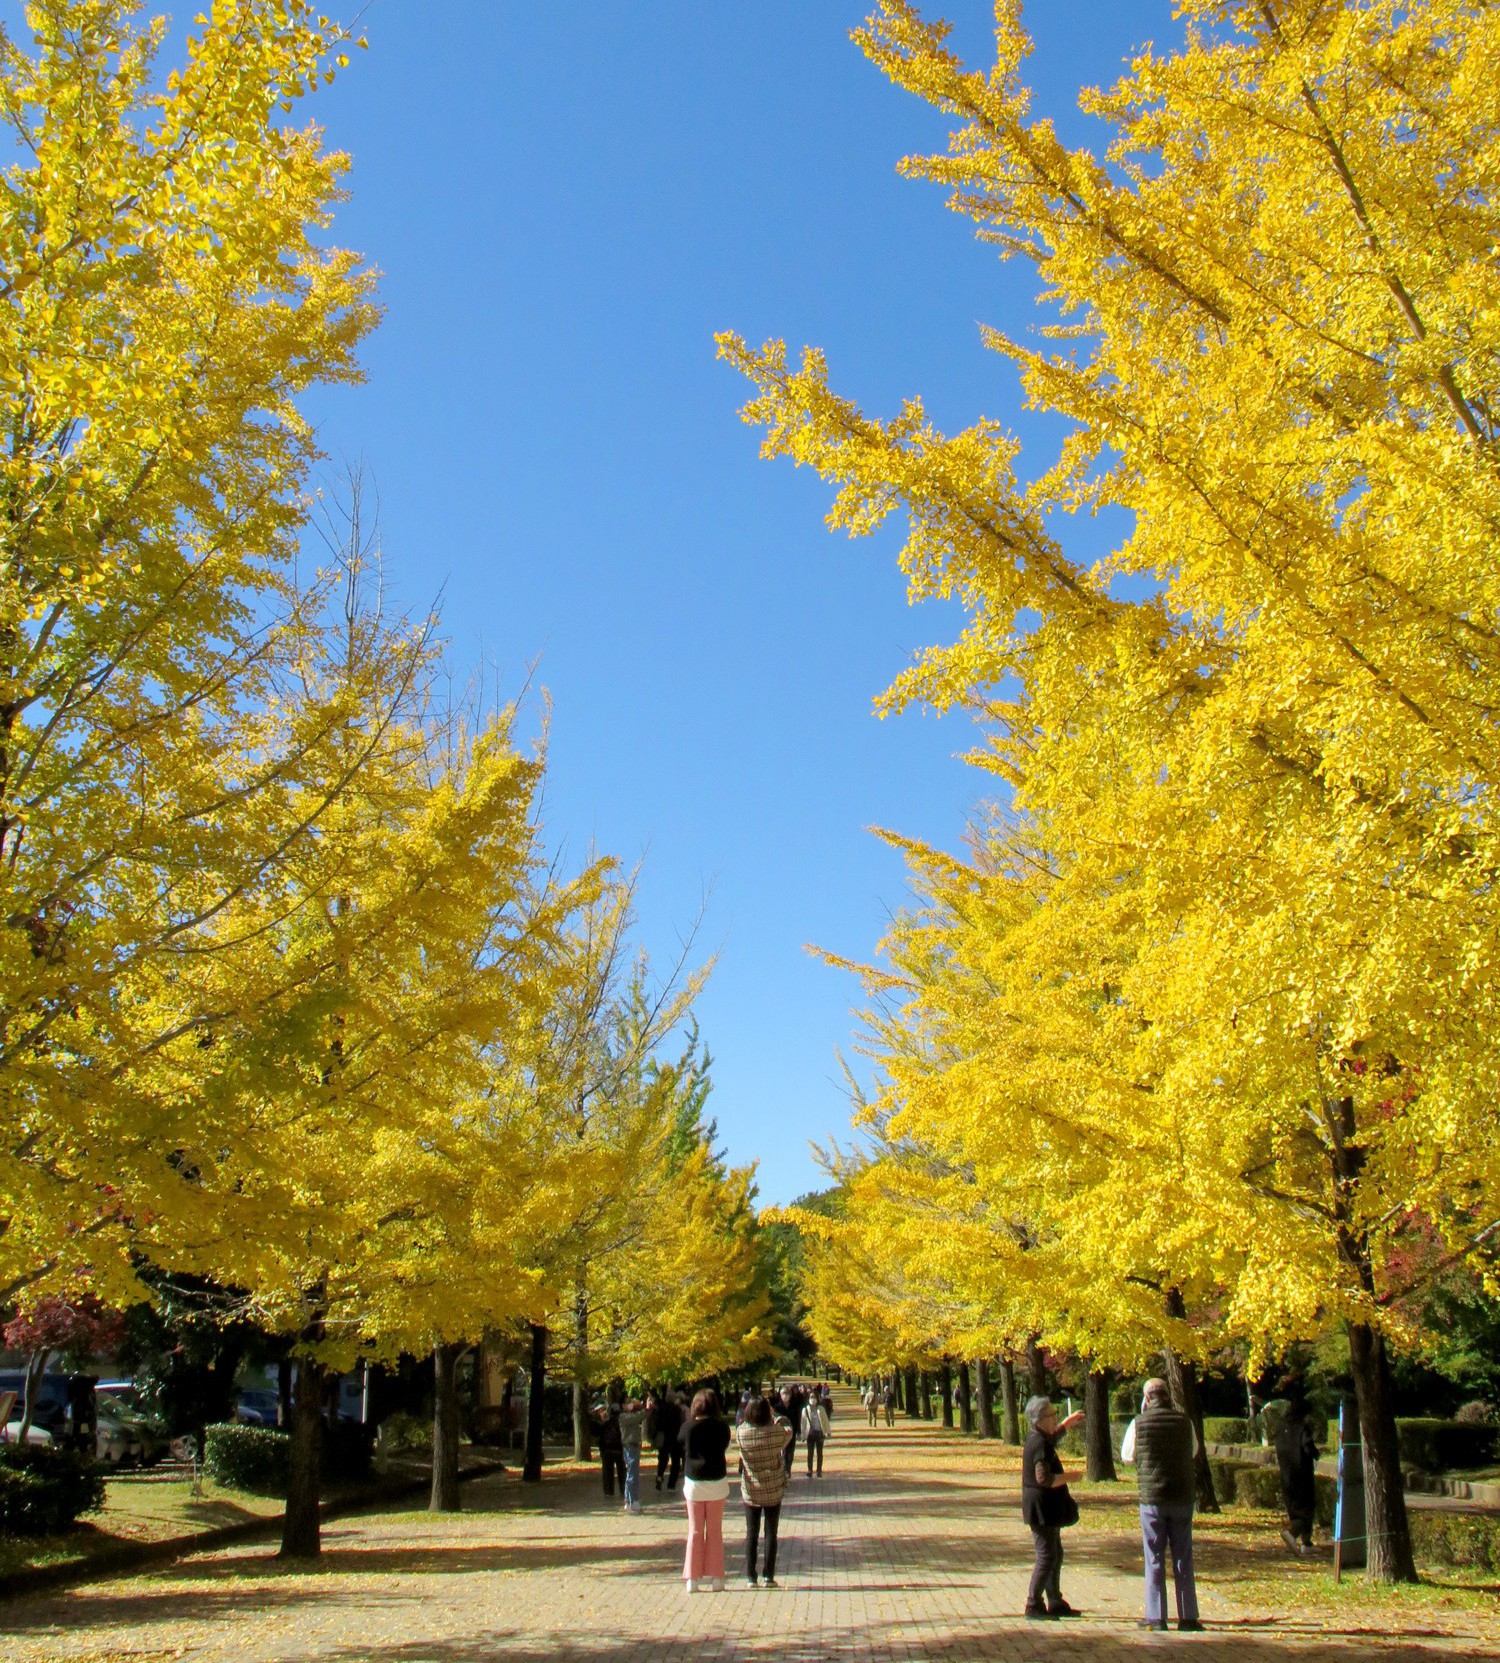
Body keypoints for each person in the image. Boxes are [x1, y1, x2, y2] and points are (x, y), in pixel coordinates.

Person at [1120, 1378, 1203, 1633]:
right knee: (1183, 1556)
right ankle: (1188, 1617)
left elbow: (1126, 1457)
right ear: (1167, 1396)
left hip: (1152, 1498)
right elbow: (1194, 1451)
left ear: (1147, 1399)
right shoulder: (1184, 1422)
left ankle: (1156, 1617)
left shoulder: (1138, 1423)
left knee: (1154, 1556)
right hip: (1181, 1496)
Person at [1021, 1394, 1085, 1620]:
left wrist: (1066, 1424)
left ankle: (1055, 1600)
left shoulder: (1040, 1437)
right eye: (1051, 1415)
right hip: (1041, 1508)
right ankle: (1033, 1604)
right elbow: (1044, 1478)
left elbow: (1052, 1439)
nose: (1054, 1418)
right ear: (1039, 1419)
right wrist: (1071, 1477)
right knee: (1046, 1556)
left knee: (1055, 1553)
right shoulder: (1038, 1442)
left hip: (1047, 1507)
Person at [736, 1394, 792, 1586]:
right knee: (771, 1533)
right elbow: (788, 1431)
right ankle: (768, 1575)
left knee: (751, 1532)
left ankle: (751, 1576)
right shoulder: (775, 1433)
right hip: (772, 1487)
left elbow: (742, 1428)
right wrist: (777, 1417)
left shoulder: (741, 1433)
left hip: (751, 1488)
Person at [680, 1387, 732, 1594]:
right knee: (715, 1532)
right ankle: (717, 1579)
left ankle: (692, 1580)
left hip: (694, 1484)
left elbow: (678, 1442)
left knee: (694, 1531)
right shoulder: (722, 1428)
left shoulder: (688, 1427)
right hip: (717, 1483)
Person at [1275, 1390, 1320, 1555]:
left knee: (1294, 1508)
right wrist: (1316, 1453)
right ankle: (1292, 1534)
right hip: (1302, 1474)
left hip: (1286, 1474)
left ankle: (1306, 1543)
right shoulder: (1302, 1428)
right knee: (1307, 1509)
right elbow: (1308, 1447)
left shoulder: (1280, 1428)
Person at [618, 1396, 645, 1514]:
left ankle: (631, 1501)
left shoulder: (630, 1415)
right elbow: (638, 1417)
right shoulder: (624, 1417)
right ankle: (631, 1501)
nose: (630, 1404)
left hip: (633, 1446)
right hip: (630, 1446)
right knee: (632, 1474)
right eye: (627, 1402)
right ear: (623, 1405)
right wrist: (647, 1409)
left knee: (633, 1473)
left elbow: (640, 1415)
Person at [655, 1387, 684, 1492]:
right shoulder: (677, 1410)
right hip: (675, 1438)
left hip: (664, 1438)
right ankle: (671, 1484)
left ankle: (659, 1475)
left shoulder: (661, 1409)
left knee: (663, 1459)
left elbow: (658, 1424)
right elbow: (679, 1423)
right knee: (675, 1461)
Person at [595, 1397, 625, 1499]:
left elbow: (599, 1434)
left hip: (607, 1450)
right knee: (622, 1471)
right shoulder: (622, 1424)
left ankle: (608, 1491)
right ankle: (623, 1489)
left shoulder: (606, 1424)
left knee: (607, 1471)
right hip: (619, 1450)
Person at [802, 1390, 829, 1478]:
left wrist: (827, 1431)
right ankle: (810, 1470)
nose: (812, 1399)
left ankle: (819, 1470)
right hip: (810, 1434)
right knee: (810, 1453)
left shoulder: (821, 1409)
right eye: (811, 1397)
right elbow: (803, 1423)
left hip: (820, 1433)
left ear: (817, 1398)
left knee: (819, 1453)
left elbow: (825, 1421)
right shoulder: (805, 1409)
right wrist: (803, 1435)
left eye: (814, 1397)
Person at [778, 1385, 802, 1477]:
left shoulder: (794, 1406)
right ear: (780, 1395)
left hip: (792, 1432)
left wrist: (799, 1431)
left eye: (787, 1393)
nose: (785, 1395)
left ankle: (788, 1469)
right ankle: (784, 1470)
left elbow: (798, 1419)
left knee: (790, 1452)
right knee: (783, 1452)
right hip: (781, 1433)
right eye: (784, 1393)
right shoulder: (778, 1407)